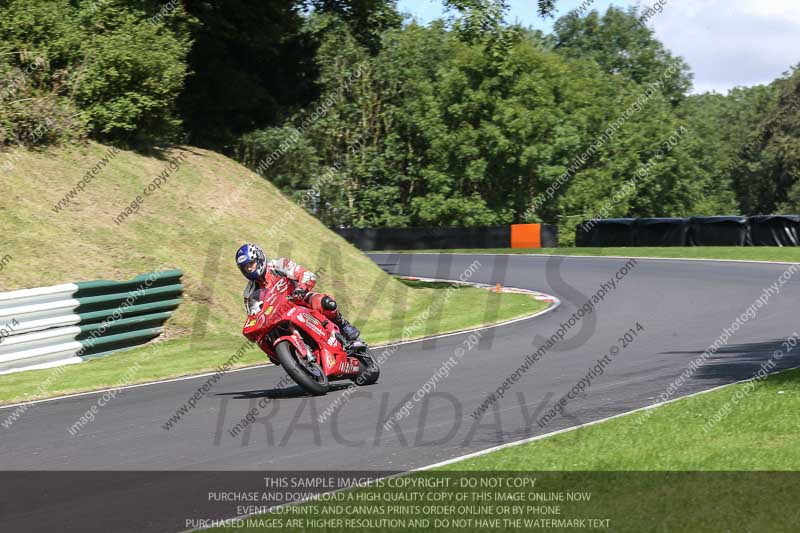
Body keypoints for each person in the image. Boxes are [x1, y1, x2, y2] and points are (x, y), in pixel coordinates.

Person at [235, 243, 361, 343]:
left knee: (325, 302)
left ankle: (343, 325)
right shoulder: (249, 293)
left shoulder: (279, 265)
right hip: (276, 319)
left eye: (251, 264)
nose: (249, 269)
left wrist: (301, 289)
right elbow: (253, 315)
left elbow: (306, 274)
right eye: (245, 267)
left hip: (299, 300)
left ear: (260, 258)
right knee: (263, 340)